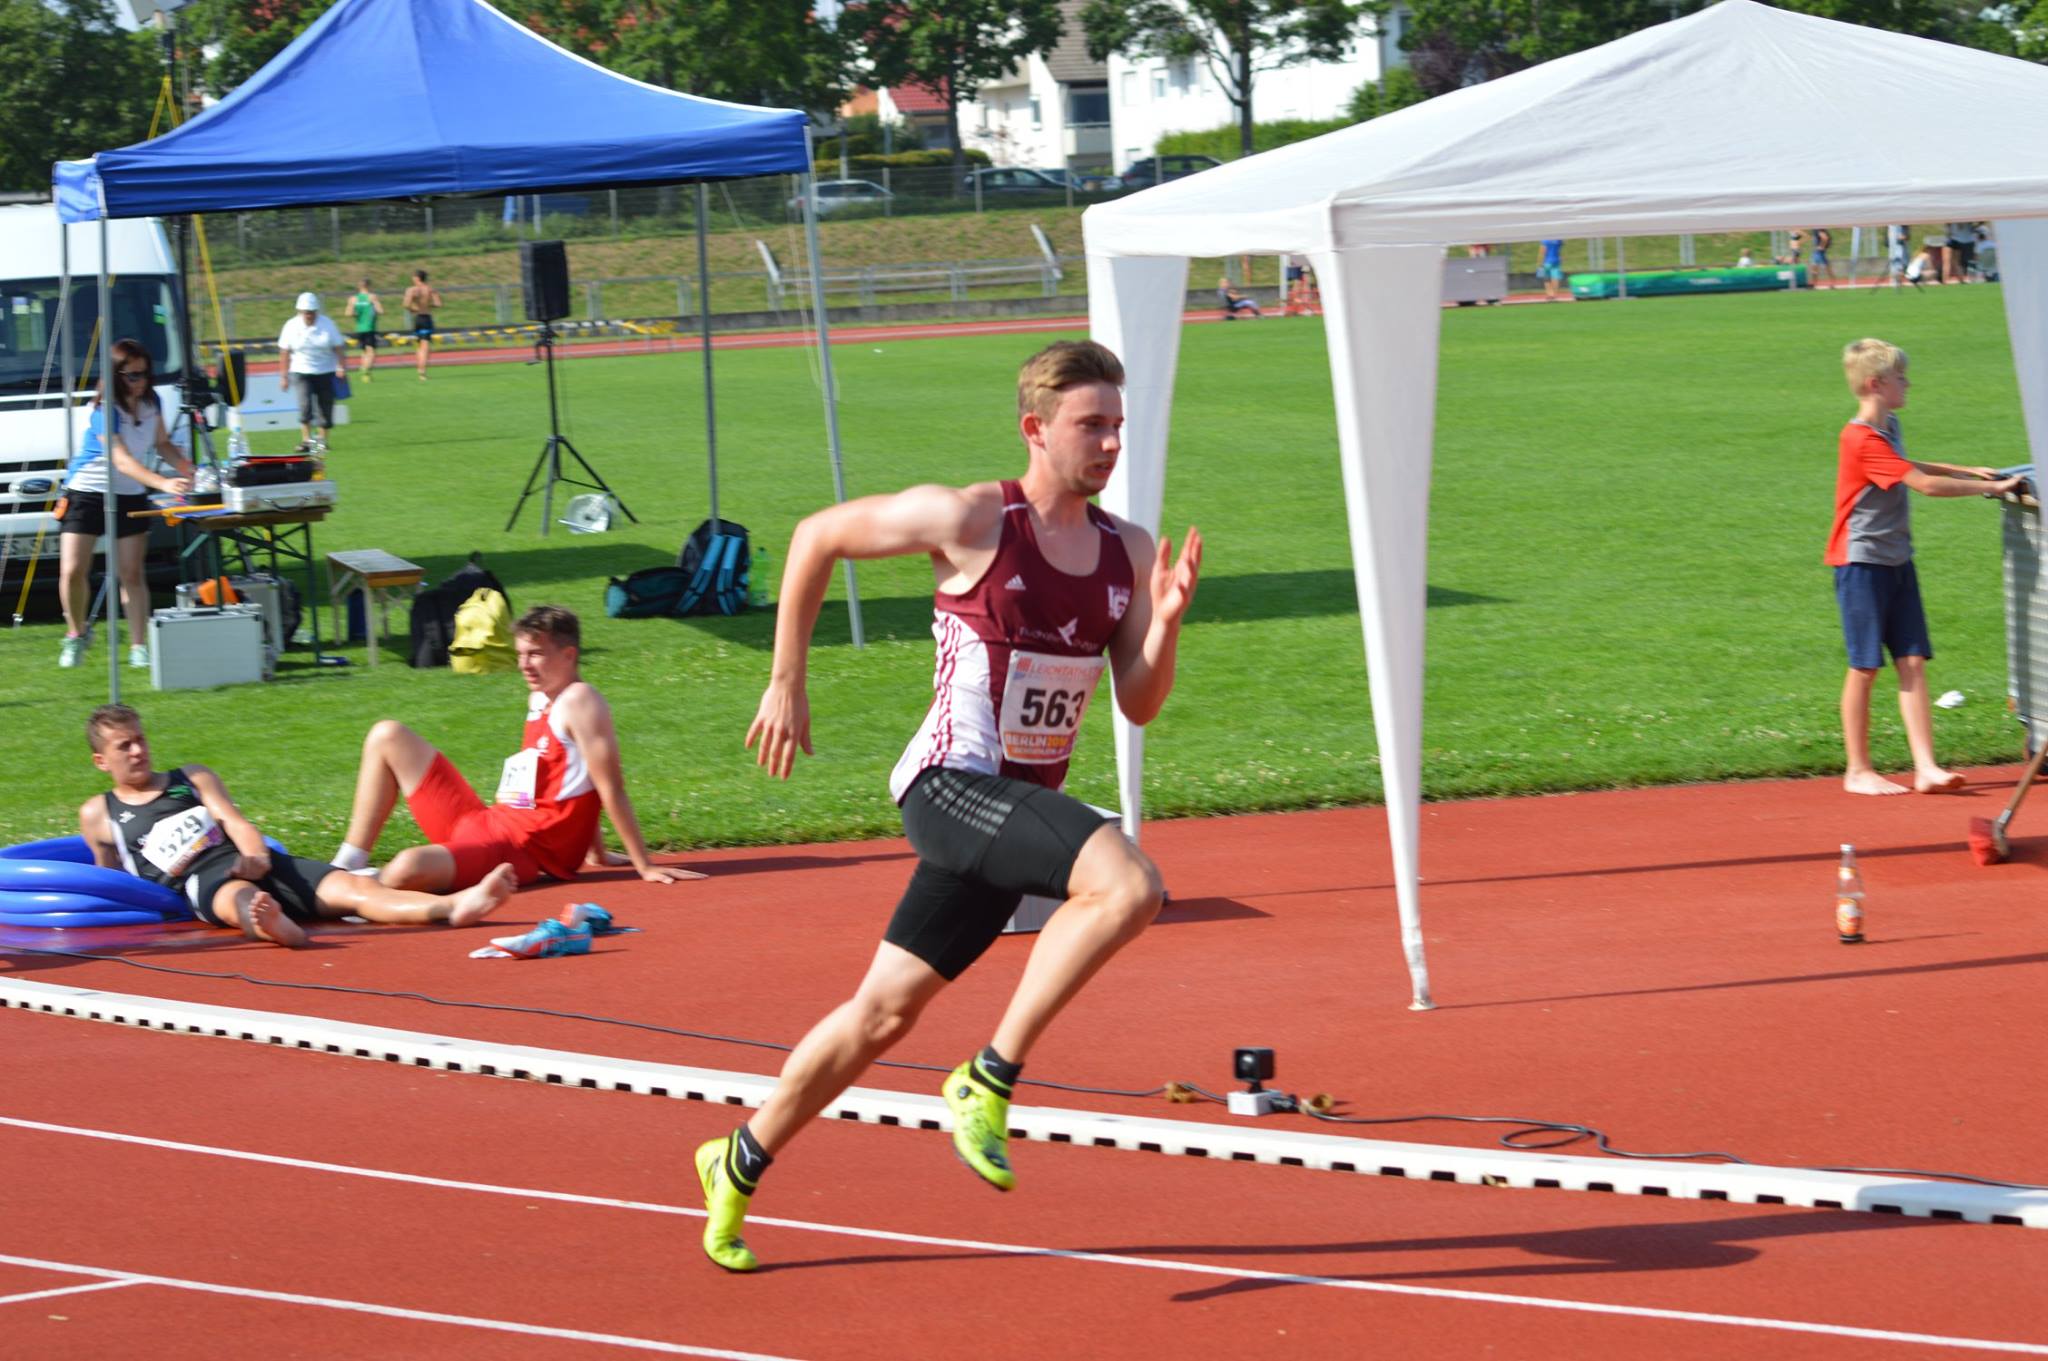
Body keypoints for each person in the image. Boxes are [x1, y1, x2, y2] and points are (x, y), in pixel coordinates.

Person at [697, 340, 1202, 1273]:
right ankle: (988, 1075)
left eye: (1117, 426)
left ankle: (739, 1155)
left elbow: (1138, 700)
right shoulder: (972, 517)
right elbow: (815, 536)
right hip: (949, 787)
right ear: (1035, 428)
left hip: (1010, 816)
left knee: (882, 1014)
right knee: (1129, 884)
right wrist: (786, 679)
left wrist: (1163, 626)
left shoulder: (1128, 550)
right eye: (1090, 425)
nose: (1110, 444)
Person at [79, 704, 516, 947]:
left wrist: (255, 855)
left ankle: (453, 906)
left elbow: (235, 822)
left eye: (141, 739)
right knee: (243, 901)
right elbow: (109, 882)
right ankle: (276, 927)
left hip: (247, 860)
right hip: (200, 881)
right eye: (124, 746)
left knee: (356, 889)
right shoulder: (99, 813)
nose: (138, 751)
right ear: (101, 760)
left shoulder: (190, 777)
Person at [334, 605, 687, 891]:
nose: (523, 665)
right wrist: (596, 851)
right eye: (520, 654)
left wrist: (644, 865)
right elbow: (568, 776)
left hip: (517, 850)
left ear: (568, 655)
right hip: (484, 822)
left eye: (535, 654)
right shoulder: (540, 697)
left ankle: (347, 890)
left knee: (408, 866)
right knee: (386, 735)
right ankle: (346, 865)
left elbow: (609, 787)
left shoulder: (582, 700)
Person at [1825, 339, 2021, 797]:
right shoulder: (1860, 438)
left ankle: (1927, 768)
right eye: (1901, 378)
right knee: (1865, 666)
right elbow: (1925, 486)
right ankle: (1858, 769)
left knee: (1912, 659)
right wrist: (1992, 489)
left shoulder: (1889, 426)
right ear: (1876, 384)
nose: (1908, 384)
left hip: (1896, 558)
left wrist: (1964, 469)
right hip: (1861, 562)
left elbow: (1905, 464)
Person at [56, 338, 195, 671]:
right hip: (86, 491)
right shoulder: (104, 410)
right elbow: (120, 460)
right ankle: (76, 633)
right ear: (115, 375)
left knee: (131, 573)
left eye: (144, 374)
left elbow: (162, 443)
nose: (141, 381)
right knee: (72, 570)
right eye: (133, 375)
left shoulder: (152, 402)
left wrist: (188, 469)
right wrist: (162, 482)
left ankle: (138, 646)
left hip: (130, 494)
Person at [276, 291, 347, 452]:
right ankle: (306, 441)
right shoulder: (291, 326)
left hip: (326, 371)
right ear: (300, 311)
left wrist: (341, 367)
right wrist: (284, 376)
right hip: (301, 371)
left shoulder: (328, 324)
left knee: (325, 406)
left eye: (312, 312)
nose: (309, 315)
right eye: (306, 312)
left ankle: (322, 441)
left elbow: (338, 347)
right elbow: (284, 352)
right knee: (305, 405)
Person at [403, 269, 444, 381]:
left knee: (419, 345)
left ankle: (419, 369)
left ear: (417, 278)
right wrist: (428, 306)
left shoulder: (411, 290)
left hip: (417, 319)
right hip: (426, 317)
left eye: (413, 277)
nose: (412, 279)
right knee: (425, 346)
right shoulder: (430, 289)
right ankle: (422, 372)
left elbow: (406, 304)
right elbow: (438, 304)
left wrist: (413, 309)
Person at [349, 278, 384, 382]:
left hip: (359, 328)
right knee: (371, 352)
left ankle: (365, 375)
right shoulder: (372, 297)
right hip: (369, 327)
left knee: (364, 351)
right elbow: (380, 311)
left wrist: (357, 313)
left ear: (359, 286)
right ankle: (365, 370)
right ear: (369, 286)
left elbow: (349, 313)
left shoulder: (353, 299)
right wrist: (374, 309)